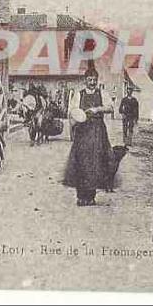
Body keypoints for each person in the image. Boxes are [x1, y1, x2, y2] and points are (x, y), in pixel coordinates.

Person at [64, 65, 114, 206]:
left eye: (94, 80)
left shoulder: (102, 93)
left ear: (97, 80)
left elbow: (110, 108)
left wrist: (98, 109)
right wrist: (75, 120)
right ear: (85, 80)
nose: (92, 82)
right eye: (89, 79)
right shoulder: (79, 94)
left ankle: (91, 196)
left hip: (98, 132)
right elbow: (72, 112)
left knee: (95, 162)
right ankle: (81, 196)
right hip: (82, 131)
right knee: (81, 162)